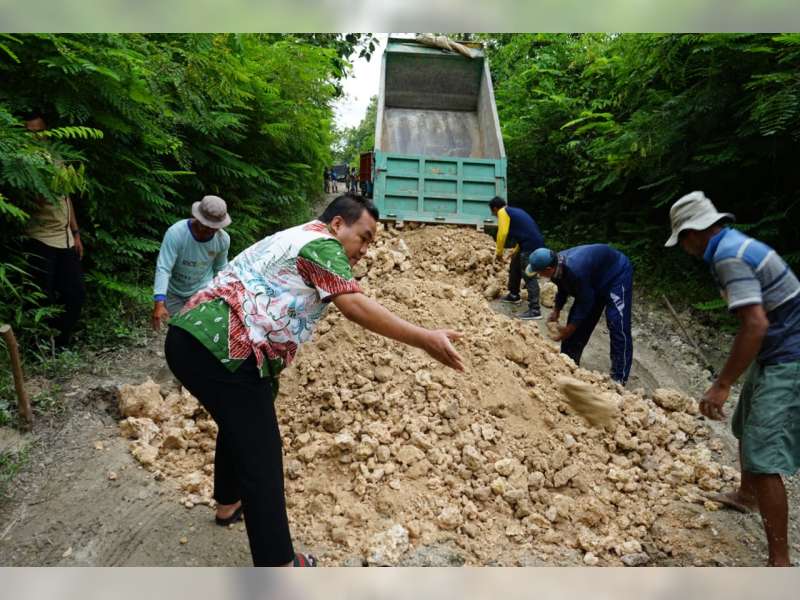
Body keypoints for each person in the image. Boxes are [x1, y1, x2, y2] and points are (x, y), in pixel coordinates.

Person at [164, 194, 464, 567]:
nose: (366, 250)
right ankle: (279, 567)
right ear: (338, 224)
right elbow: (352, 304)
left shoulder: (294, 236)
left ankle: (228, 503)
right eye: (365, 237)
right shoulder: (322, 243)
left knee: (239, 423)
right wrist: (425, 338)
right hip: (224, 349)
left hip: (190, 338)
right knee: (262, 459)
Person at [667, 190, 800, 567]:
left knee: (763, 456)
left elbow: (755, 325)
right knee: (744, 424)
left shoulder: (729, 257)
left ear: (694, 233)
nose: (684, 248)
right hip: (776, 350)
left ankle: (781, 563)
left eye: (682, 240)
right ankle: (747, 496)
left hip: (790, 357)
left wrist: (723, 383)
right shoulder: (733, 246)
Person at [527, 244, 633, 384]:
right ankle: (567, 363)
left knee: (617, 323)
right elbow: (562, 288)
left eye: (539, 273)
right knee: (578, 322)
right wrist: (556, 310)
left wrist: (568, 329)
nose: (539, 276)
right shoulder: (555, 265)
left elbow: (585, 302)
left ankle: (619, 377)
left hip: (615, 274)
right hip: (592, 280)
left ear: (548, 269)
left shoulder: (575, 270)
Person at [23, 114, 86, 349]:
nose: (36, 137)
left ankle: (61, 342)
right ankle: (37, 346)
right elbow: (32, 201)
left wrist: (76, 233)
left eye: (39, 131)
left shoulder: (56, 157)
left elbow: (66, 197)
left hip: (65, 237)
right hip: (40, 237)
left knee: (75, 293)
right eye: (30, 132)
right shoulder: (22, 163)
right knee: (41, 296)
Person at [151, 195, 231, 330]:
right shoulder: (176, 233)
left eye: (214, 227)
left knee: (199, 331)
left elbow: (221, 269)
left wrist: (226, 295)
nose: (210, 230)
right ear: (198, 218)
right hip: (175, 292)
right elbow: (164, 268)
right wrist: (159, 303)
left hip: (202, 290)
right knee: (177, 330)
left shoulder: (222, 239)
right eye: (206, 226)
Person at [488, 196, 544, 320]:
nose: (494, 215)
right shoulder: (514, 211)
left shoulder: (503, 212)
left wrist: (499, 253)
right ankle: (514, 295)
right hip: (529, 243)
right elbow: (524, 231)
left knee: (529, 274)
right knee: (514, 265)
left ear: (495, 208)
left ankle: (535, 309)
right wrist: (515, 250)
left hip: (530, 246)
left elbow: (502, 233)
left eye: (493, 212)